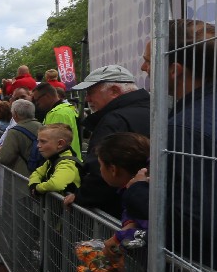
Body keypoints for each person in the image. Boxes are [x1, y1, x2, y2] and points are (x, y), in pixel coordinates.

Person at [143, 21, 217, 272]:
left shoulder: (185, 128)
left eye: (149, 61)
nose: (143, 68)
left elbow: (193, 223)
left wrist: (138, 191)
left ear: (174, 70)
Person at [63, 65, 151, 217]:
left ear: (114, 91)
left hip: (118, 212)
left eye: (91, 92)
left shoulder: (114, 120)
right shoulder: (158, 110)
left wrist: (81, 197)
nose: (87, 99)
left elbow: (101, 169)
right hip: (143, 209)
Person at [31, 82, 82, 162]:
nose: (36, 103)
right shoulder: (65, 109)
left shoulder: (59, 113)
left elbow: (56, 145)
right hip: (69, 160)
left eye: (37, 100)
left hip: (63, 162)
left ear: (47, 96)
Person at [0, 99, 43, 177]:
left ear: (15, 114)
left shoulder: (14, 132)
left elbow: (5, 157)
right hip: (40, 172)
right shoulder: (42, 126)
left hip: (22, 174)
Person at [27, 124, 81, 197]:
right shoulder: (53, 159)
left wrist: (38, 189)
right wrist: (34, 184)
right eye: (38, 141)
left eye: (43, 141)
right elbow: (37, 173)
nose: (38, 145)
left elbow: (56, 184)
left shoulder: (67, 163)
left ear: (60, 144)